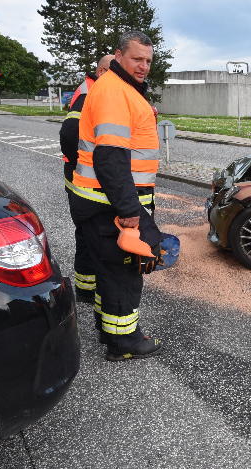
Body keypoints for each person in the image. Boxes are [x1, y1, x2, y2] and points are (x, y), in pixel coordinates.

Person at [70, 30, 163, 361]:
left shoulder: (119, 89)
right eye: (137, 59)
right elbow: (109, 158)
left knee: (109, 272)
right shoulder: (114, 92)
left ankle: (108, 329)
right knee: (124, 273)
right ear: (119, 56)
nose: (143, 66)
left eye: (148, 61)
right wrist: (129, 211)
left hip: (102, 201)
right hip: (111, 204)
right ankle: (125, 343)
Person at [60, 54, 114, 304]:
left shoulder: (92, 88)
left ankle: (85, 286)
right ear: (103, 71)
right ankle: (86, 288)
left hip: (81, 175)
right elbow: (70, 135)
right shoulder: (89, 93)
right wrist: (89, 164)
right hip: (82, 177)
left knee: (86, 232)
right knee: (88, 232)